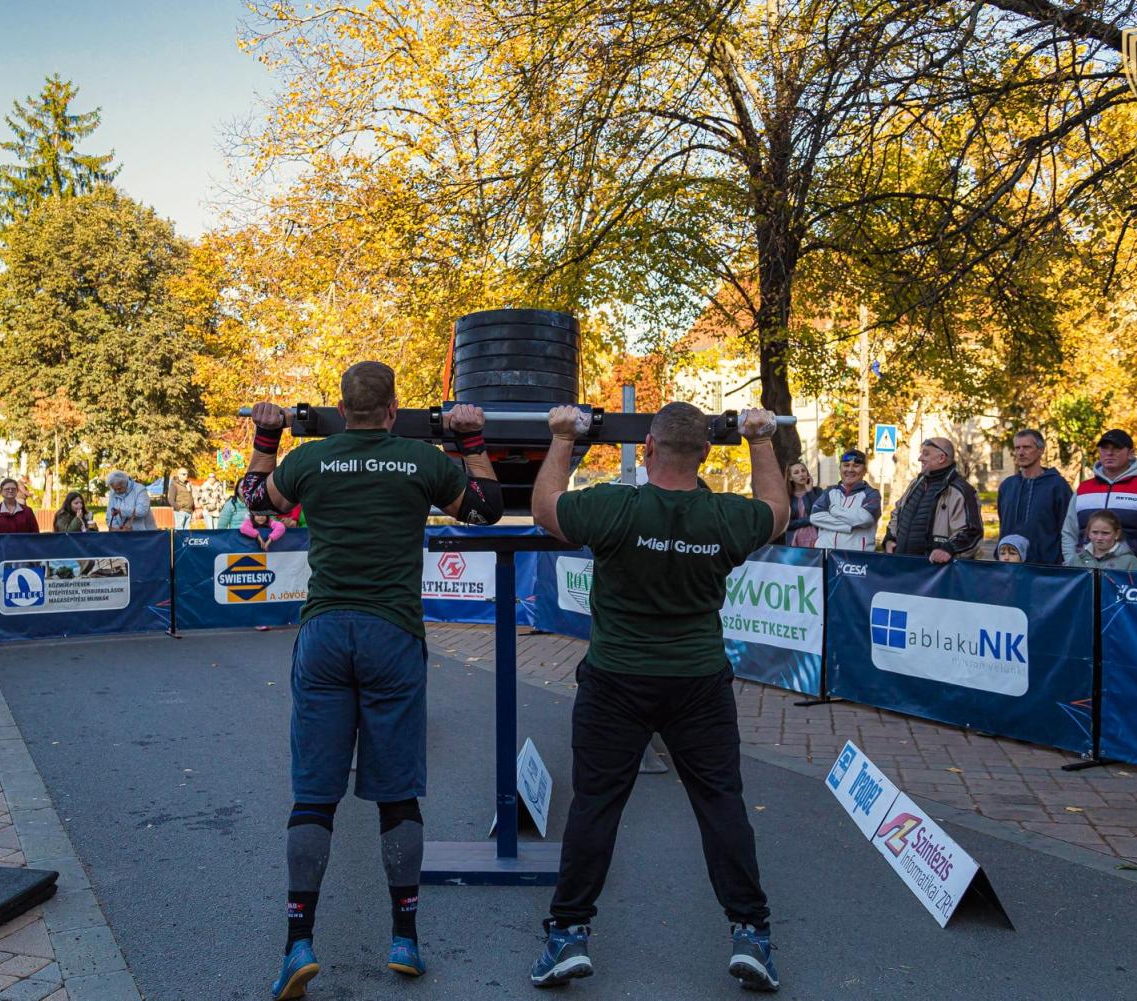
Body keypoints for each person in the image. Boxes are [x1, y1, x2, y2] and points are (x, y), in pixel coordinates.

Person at [236, 361, 503, 999]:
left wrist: (268, 437)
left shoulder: (310, 459)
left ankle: (297, 944)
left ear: (341, 407)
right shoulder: (420, 459)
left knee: (313, 796)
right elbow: (486, 509)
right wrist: (470, 438)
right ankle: (404, 938)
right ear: (393, 410)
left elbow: (255, 499)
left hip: (326, 633)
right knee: (397, 795)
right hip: (391, 635)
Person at [527, 401, 790, 993]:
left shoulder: (614, 506)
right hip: (697, 683)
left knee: (595, 805)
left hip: (617, 681)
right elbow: (777, 512)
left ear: (647, 447)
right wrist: (759, 440)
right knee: (721, 804)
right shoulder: (725, 517)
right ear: (705, 453)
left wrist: (564, 436)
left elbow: (546, 509)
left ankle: (567, 934)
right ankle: (751, 934)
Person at [1061, 429, 1137, 571]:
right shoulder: (1083, 489)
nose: (1109, 453)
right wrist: (1071, 564)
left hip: (1132, 577)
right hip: (1085, 575)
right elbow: (1069, 532)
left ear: (1130, 453)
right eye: (1104, 448)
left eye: (1116, 448)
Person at [883, 437, 984, 562]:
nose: (920, 458)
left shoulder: (961, 491)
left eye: (926, 454)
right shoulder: (915, 483)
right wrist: (890, 538)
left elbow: (972, 533)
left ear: (941, 458)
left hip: (936, 572)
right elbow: (897, 512)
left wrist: (948, 549)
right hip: (902, 566)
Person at [996, 429, 1072, 565]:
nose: (1021, 452)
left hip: (1045, 567)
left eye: (1027, 447)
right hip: (1009, 566)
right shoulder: (1007, 486)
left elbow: (1068, 529)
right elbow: (1003, 524)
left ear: (1041, 450)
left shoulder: (1057, 486)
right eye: (1017, 448)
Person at [809, 449, 881, 551]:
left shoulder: (872, 494)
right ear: (840, 469)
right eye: (846, 465)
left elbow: (865, 518)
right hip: (825, 555)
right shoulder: (829, 492)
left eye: (856, 466)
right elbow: (815, 517)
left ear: (865, 470)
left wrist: (833, 510)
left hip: (855, 557)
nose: (850, 469)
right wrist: (849, 527)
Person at [1065, 510, 1137, 570]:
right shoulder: (1077, 559)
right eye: (1095, 532)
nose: (1099, 538)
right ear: (1088, 533)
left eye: (1105, 533)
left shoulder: (1129, 561)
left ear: (1117, 534)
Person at [784, 461, 822, 547]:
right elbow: (787, 524)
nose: (801, 474)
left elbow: (820, 513)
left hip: (817, 540)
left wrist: (810, 492)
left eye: (803, 471)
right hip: (794, 542)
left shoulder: (817, 491)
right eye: (796, 472)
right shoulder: (786, 497)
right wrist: (810, 519)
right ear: (790, 478)